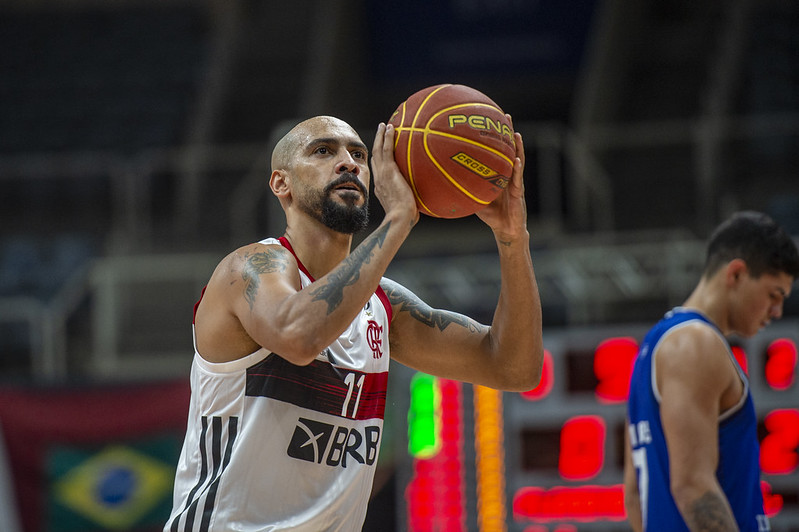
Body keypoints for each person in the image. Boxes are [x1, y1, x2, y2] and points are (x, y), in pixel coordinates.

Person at [164, 116, 544, 531]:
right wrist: (399, 220)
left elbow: (515, 368)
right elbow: (298, 335)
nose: (349, 163)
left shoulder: (383, 305)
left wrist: (513, 240)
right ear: (281, 184)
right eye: (324, 151)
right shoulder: (251, 269)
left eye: (359, 154)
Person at [624, 211, 799, 532]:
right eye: (774, 295)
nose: (777, 311)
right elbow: (693, 489)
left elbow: (635, 494)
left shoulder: (651, 346)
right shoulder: (697, 343)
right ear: (736, 274)